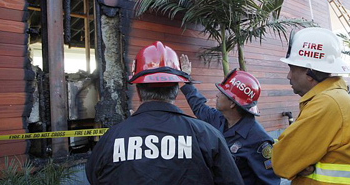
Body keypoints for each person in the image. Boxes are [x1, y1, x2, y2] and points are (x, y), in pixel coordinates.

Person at [85, 41, 243, 185]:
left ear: (139, 90)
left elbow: (93, 177)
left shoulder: (111, 139)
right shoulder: (208, 136)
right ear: (175, 91)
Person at [272, 27, 350, 184]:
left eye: (292, 68)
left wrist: (298, 165)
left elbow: (281, 163)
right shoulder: (335, 99)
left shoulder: (327, 103)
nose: (288, 76)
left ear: (310, 73)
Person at [180, 55, 280, 185]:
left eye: (222, 93)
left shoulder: (258, 140)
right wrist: (187, 80)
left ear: (232, 103)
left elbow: (269, 182)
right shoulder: (220, 119)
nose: (217, 95)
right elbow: (199, 107)